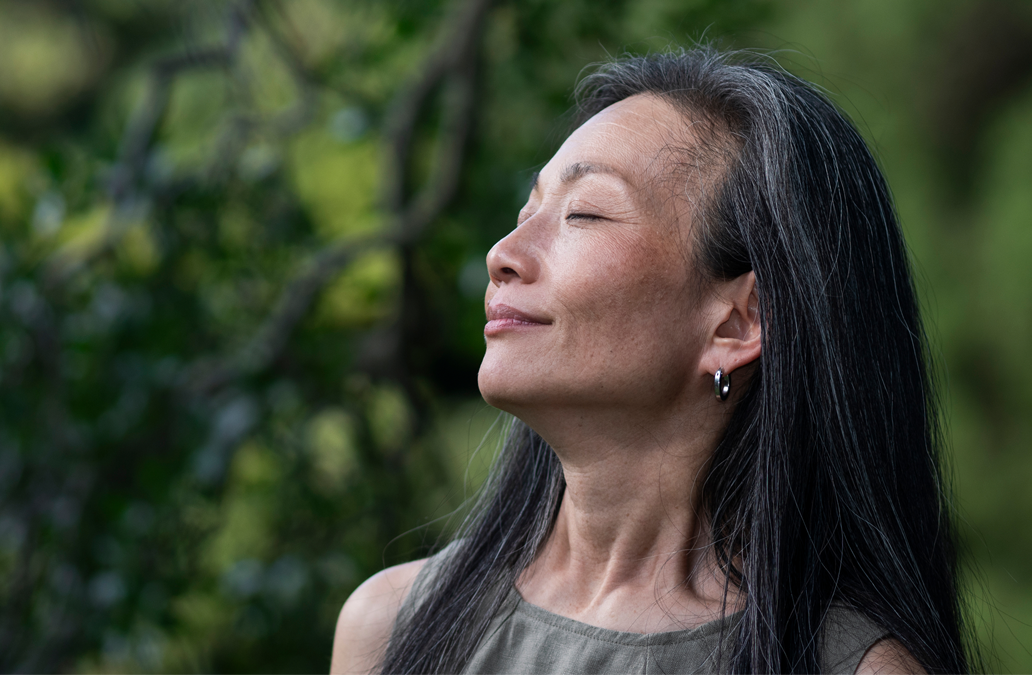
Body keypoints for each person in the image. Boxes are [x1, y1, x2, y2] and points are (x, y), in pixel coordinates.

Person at [330, 47, 976, 675]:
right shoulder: (391, 627)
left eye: (584, 213)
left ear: (737, 321)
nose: (504, 252)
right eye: (527, 210)